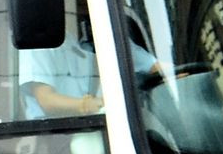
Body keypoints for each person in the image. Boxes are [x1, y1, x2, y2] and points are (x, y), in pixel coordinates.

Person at [21, 21, 167, 117]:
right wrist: (88, 105)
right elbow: (47, 101)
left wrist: (177, 76)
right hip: (57, 135)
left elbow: (157, 68)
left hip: (105, 127)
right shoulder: (42, 38)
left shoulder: (110, 32)